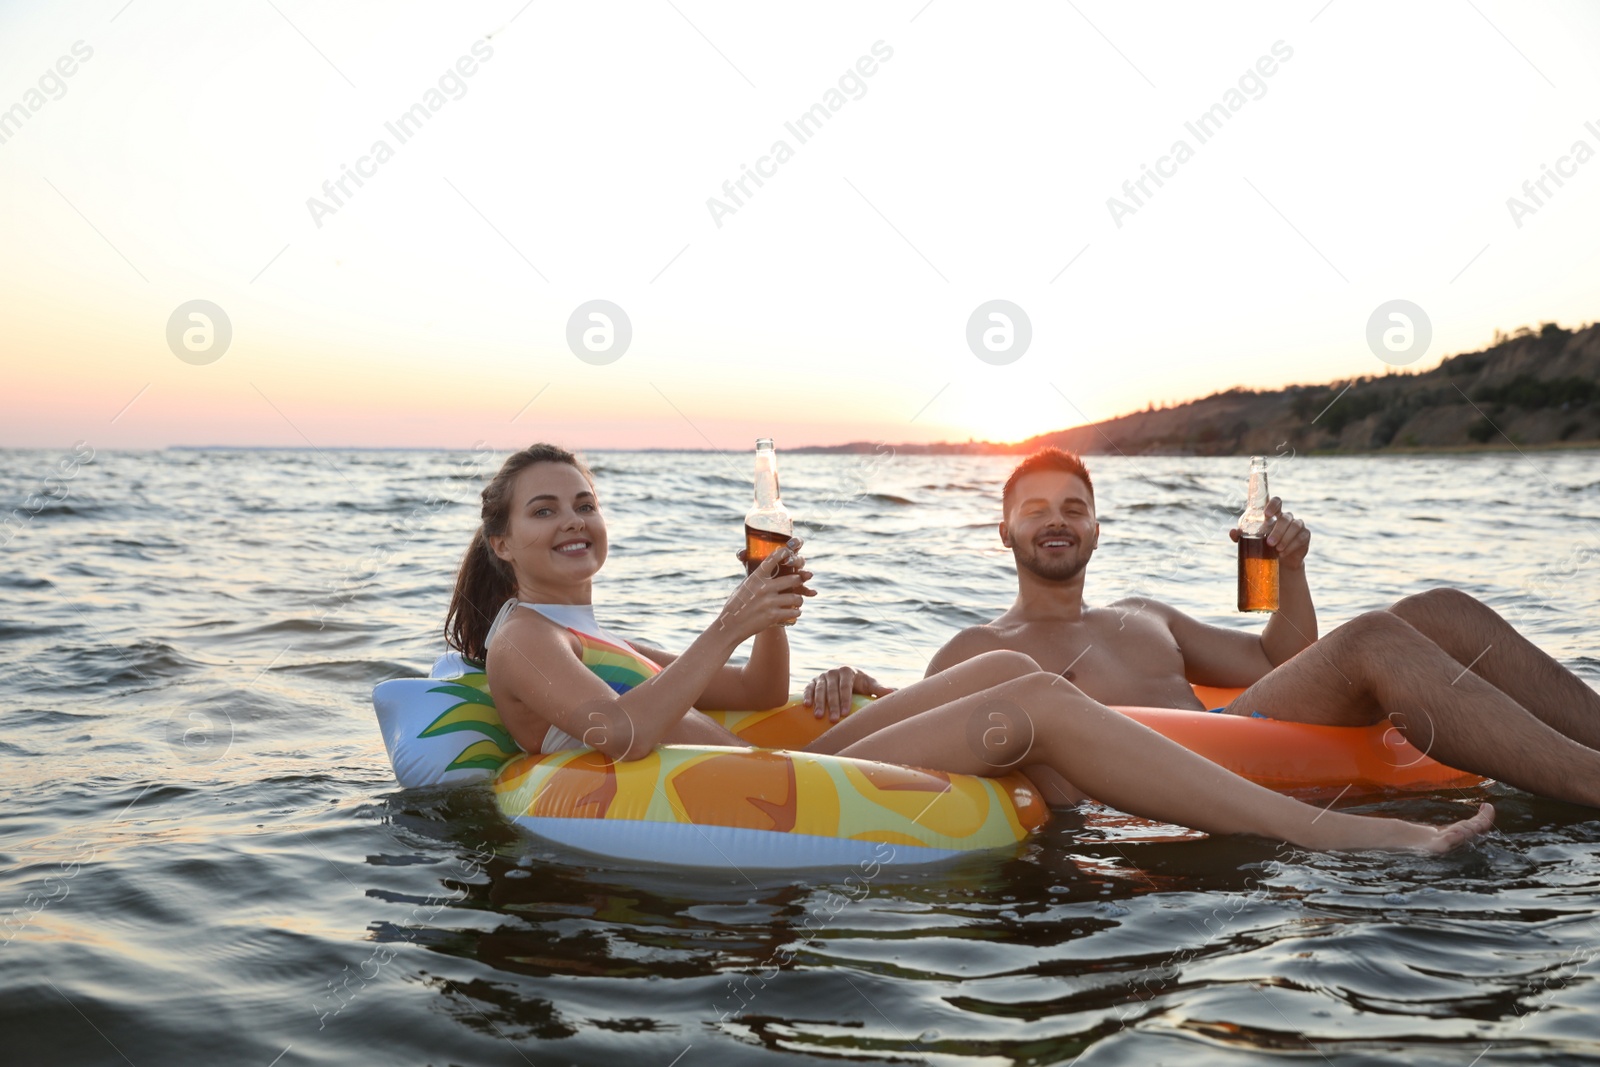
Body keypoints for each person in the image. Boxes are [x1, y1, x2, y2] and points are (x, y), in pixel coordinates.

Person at [446, 444, 1492, 854]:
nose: (574, 519)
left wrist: (764, 618)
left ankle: (1100, 785)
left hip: (765, 750)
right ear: (502, 540)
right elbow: (622, 734)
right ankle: (1338, 836)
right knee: (1025, 700)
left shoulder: (606, 629)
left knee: (1007, 671)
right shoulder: (524, 633)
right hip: (736, 783)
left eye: (586, 500)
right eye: (546, 510)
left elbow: (747, 694)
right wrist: (723, 622)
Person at [808, 447, 1600, 811]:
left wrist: (1291, 569)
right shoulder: (976, 648)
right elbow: (945, 729)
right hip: (1147, 774)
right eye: (1037, 510)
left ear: (1096, 530)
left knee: (1440, 609)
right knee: (1370, 638)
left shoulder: (1147, 615)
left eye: (1074, 508)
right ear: (1005, 532)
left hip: (1235, 728)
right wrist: (852, 684)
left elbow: (1279, 657)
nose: (1058, 521)